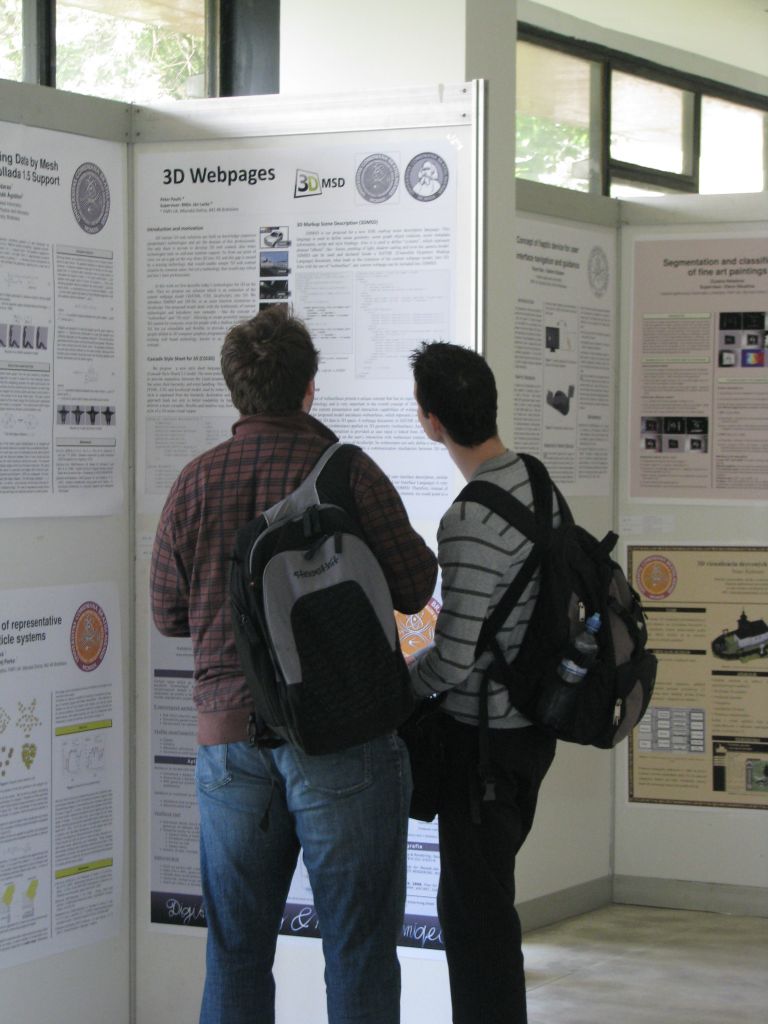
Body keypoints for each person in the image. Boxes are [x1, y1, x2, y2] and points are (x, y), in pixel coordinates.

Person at [151, 304, 437, 1024]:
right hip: (341, 738)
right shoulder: (348, 473)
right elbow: (415, 586)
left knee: (236, 954)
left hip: (229, 747)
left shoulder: (194, 482)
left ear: (235, 391)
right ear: (310, 387)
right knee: (358, 949)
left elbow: (167, 613)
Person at [408, 341, 557, 1024]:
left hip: (484, 748)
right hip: (534, 730)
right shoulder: (536, 481)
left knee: (476, 921)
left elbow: (453, 659)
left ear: (431, 420)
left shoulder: (468, 520)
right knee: (485, 903)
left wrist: (397, 686)